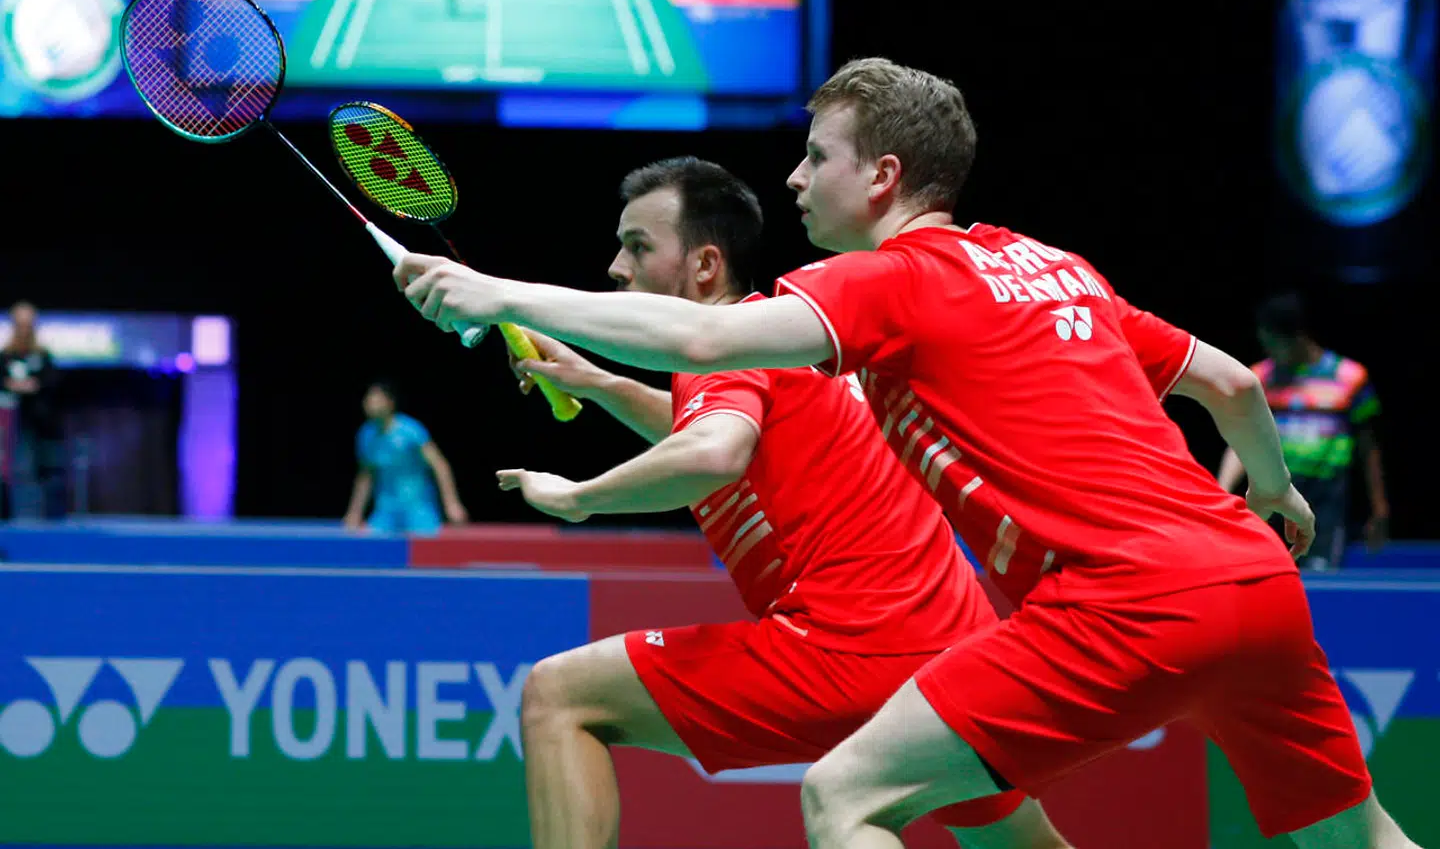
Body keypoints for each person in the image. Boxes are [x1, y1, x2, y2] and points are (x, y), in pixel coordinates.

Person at [393, 57, 1419, 849]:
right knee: (1358, 835)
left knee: (844, 796)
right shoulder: (1054, 264)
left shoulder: (889, 280)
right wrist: (1277, 491)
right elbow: (1232, 385)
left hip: (1118, 601)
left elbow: (704, 343)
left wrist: (498, 293)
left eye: (818, 156)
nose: (795, 177)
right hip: (1254, 577)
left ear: (883, 176)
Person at [495, 157, 1069, 849]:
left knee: (560, 694)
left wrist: (578, 497)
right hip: (951, 651)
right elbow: (718, 429)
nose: (617, 267)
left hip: (844, 646)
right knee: (1015, 843)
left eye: (638, 246)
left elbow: (713, 453)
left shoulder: (724, 352)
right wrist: (598, 383)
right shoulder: (788, 343)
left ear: (705, 265)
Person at [1218, 291, 1389, 570]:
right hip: (1271, 491)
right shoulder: (1258, 378)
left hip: (1327, 499)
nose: (1269, 351)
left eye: (1273, 343)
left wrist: (1379, 506)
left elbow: (1369, 447)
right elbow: (1243, 439)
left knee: (1320, 577)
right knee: (1269, 574)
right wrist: (1222, 489)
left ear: (1297, 337)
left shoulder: (1350, 377)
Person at [343, 379, 468, 535]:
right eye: (368, 400)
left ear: (390, 403)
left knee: (427, 547)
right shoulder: (366, 435)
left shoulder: (411, 430)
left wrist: (452, 504)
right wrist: (355, 512)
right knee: (369, 544)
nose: (370, 404)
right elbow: (366, 476)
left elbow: (440, 465)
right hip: (386, 511)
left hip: (418, 509)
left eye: (376, 400)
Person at [1, 301, 66, 521]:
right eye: (19, 325)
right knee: (11, 471)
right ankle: (10, 517)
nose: (24, 330)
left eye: (28, 325)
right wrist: (11, 385)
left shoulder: (44, 357)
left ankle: (50, 521)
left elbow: (53, 383)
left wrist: (35, 385)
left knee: (48, 470)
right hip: (10, 428)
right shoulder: (5, 357)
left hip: (42, 426)